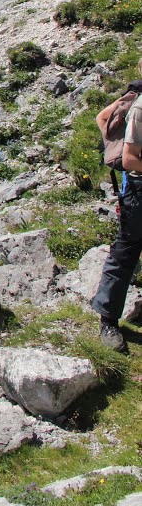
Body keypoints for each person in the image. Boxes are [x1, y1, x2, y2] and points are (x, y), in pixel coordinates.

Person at [91, 58, 142, 352]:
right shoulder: (140, 107)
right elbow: (129, 159)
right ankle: (108, 321)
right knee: (125, 251)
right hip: (138, 190)